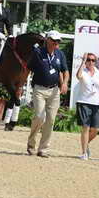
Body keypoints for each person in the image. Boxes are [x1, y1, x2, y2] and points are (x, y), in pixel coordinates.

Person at [26, 30, 69, 158]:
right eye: (54, 41)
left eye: (58, 41)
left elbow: (65, 71)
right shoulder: (38, 52)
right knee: (39, 117)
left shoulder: (60, 54)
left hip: (54, 90)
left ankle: (43, 148)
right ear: (47, 40)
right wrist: (20, 86)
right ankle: (31, 144)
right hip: (39, 89)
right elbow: (29, 68)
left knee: (50, 120)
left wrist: (65, 83)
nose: (57, 43)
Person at [75, 52, 99, 160]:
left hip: (96, 104)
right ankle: (84, 152)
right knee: (85, 127)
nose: (91, 62)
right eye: (88, 60)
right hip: (84, 102)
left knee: (95, 129)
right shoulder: (83, 71)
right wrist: (82, 62)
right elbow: (78, 76)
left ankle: (85, 144)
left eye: (93, 60)